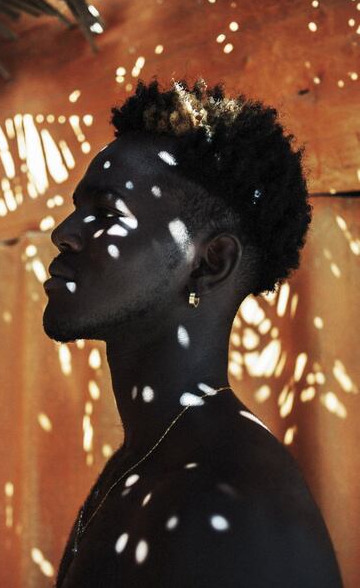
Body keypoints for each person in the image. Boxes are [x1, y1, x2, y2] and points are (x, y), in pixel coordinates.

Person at [43, 77, 343, 587]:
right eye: (78, 208)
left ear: (210, 261)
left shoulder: (233, 506)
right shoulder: (149, 453)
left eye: (107, 213)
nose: (64, 233)